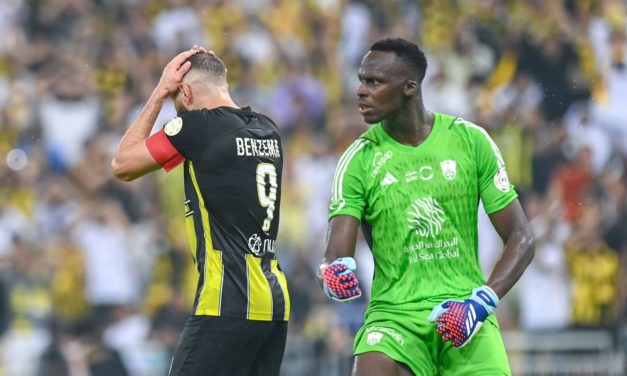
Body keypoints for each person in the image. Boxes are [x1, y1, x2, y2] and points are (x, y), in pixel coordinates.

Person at [319, 37, 535, 375]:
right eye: (361, 80)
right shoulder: (357, 160)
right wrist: (334, 273)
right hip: (394, 319)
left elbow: (521, 237)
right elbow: (336, 253)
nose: (360, 91)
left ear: (409, 87)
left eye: (373, 81)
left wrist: (481, 303)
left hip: (465, 312)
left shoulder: (470, 141)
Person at [111, 46, 290, 376]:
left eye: (177, 104)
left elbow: (123, 164)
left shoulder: (198, 129)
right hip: (274, 302)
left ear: (186, 92)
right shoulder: (268, 130)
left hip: (227, 299)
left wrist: (159, 93)